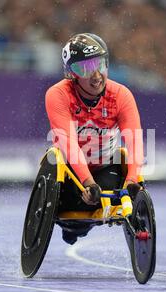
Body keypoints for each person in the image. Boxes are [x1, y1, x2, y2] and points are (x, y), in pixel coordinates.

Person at [45, 33, 144, 244]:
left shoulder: (121, 95)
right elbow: (68, 143)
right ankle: (74, 228)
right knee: (76, 210)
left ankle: (79, 228)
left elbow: (134, 141)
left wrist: (132, 180)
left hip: (104, 167)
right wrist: (87, 182)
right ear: (72, 74)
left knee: (103, 197)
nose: (96, 75)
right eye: (85, 69)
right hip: (69, 172)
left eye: (100, 65)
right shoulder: (57, 95)